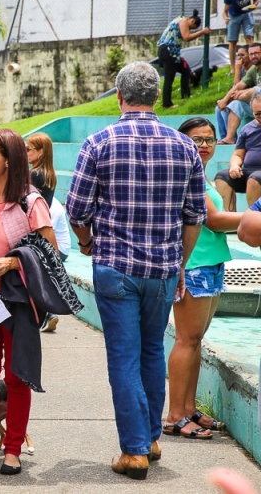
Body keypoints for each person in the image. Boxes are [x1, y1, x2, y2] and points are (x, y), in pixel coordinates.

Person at [66, 62, 206, 481]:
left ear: (119, 95)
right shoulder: (185, 147)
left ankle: (134, 451)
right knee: (151, 352)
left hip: (116, 267)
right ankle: (149, 438)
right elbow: (194, 216)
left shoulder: (98, 142)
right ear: (156, 95)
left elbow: (77, 211)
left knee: (124, 358)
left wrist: (87, 244)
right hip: (162, 268)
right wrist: (180, 264)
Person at [0, 129, 57, 476]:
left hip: (18, 302)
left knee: (16, 379)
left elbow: (50, 252)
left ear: (8, 160)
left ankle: (13, 450)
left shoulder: (31, 202)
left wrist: (15, 262)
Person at [164, 118, 240, 443]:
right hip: (194, 266)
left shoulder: (202, 175)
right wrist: (252, 218)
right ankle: (174, 416)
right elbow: (214, 220)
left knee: (196, 340)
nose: (205, 145)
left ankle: (189, 408)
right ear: (182, 142)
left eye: (209, 139)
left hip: (210, 264)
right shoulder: (187, 176)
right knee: (187, 339)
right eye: (197, 140)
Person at [215, 93, 261, 212]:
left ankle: (254, 217)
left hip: (257, 176)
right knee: (222, 177)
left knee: (255, 179)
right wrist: (235, 166)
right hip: (249, 171)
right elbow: (238, 154)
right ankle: (231, 218)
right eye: (258, 114)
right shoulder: (247, 129)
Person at [156, 9, 210, 109]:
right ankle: (167, 103)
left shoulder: (180, 20)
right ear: (192, 21)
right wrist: (202, 32)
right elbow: (186, 37)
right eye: (192, 28)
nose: (190, 29)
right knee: (169, 78)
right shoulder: (184, 21)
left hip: (172, 53)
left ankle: (185, 95)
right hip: (167, 51)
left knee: (185, 70)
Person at [216, 43, 261, 144]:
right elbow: (238, 86)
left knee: (254, 90)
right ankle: (228, 138)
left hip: (257, 100)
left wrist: (239, 94)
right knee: (228, 105)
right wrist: (224, 100)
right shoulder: (254, 69)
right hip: (256, 105)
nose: (253, 56)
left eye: (256, 53)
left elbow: (257, 89)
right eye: (251, 54)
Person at [40, 196, 72, 333]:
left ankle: (47, 313)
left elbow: (44, 234)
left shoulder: (51, 205)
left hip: (60, 249)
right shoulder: (45, 201)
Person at [224, 0, 259, 75]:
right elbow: (225, 12)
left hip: (247, 13)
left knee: (249, 37)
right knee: (232, 41)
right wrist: (226, 18)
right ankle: (232, 68)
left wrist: (254, 6)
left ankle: (253, 65)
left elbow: (256, 0)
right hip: (234, 16)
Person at [26, 132, 57, 206]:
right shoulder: (48, 174)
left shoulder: (35, 174)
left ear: (41, 151)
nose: (25, 152)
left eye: (28, 149)